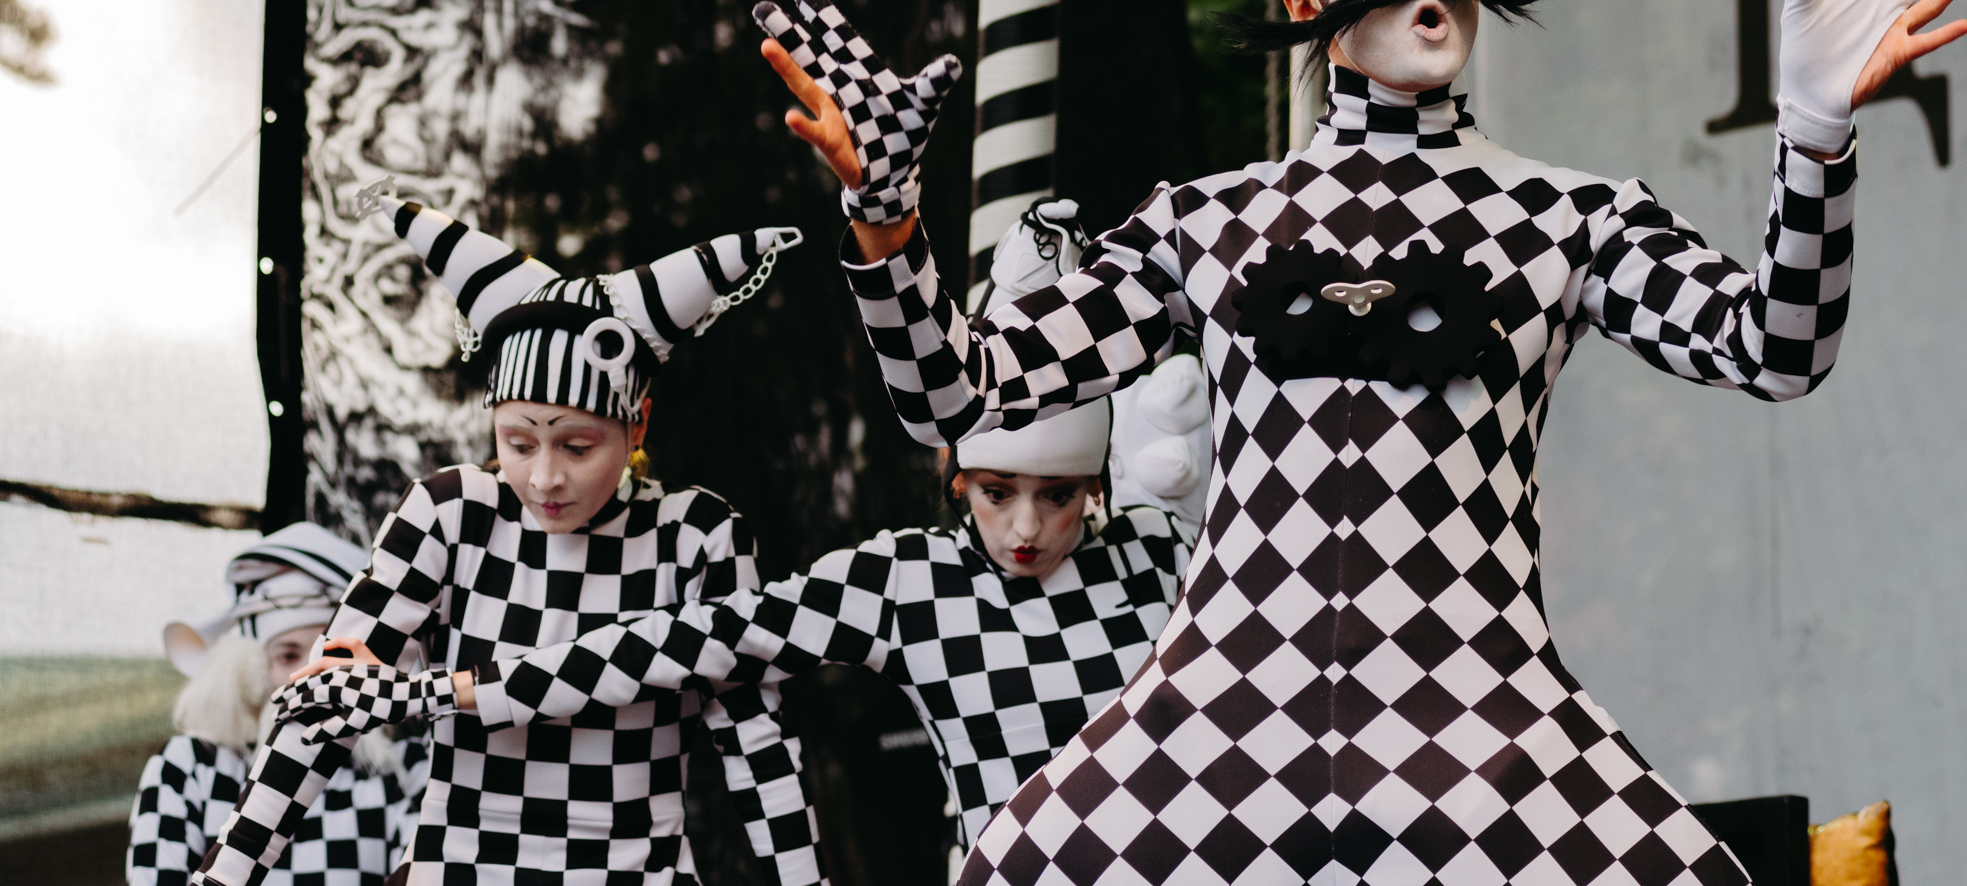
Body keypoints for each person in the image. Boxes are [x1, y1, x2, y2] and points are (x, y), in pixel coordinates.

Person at [290, 0, 1967, 886]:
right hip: (1224, 705)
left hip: (1474, 702)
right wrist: (884, 221)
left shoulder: (1561, 215)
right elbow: (961, 390)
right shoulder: (1212, 218)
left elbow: (1774, 345)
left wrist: (1814, 141)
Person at [272, 203, 1203, 863]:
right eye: (998, 490)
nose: (1028, 528)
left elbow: (736, 714)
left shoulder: (1162, 552)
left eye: (1062, 493)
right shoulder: (907, 581)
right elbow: (663, 651)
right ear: (957, 479)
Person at [188, 199, 827, 886]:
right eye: (518, 441)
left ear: (638, 423)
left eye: (578, 444)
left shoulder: (695, 536)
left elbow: (756, 741)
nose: (545, 476)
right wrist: (223, 877)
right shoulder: (449, 511)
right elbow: (321, 709)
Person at [131, 524, 428, 886]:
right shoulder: (190, 767)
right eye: (288, 656)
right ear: (255, 669)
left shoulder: (401, 770)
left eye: (328, 655)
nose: (309, 674)